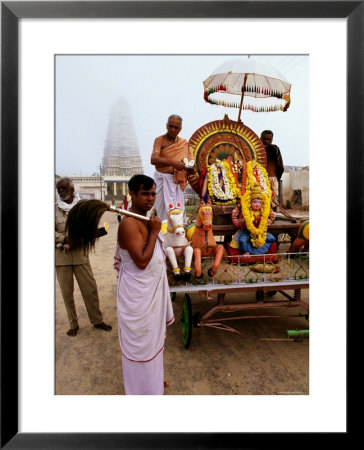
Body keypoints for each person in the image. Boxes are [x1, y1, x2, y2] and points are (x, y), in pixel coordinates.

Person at [113, 174, 174, 395]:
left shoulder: (147, 219)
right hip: (137, 299)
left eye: (152, 193)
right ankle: (140, 392)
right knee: (140, 348)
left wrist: (153, 227)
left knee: (152, 345)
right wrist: (156, 231)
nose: (150, 198)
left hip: (152, 296)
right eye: (145, 193)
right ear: (132, 194)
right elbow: (140, 261)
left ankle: (153, 382)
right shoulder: (129, 224)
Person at [55, 178, 112, 337]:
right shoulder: (53, 210)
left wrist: (92, 234)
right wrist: (64, 239)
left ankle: (97, 320)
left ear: (72, 190)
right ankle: (73, 324)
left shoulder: (82, 208)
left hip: (81, 256)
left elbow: (90, 229)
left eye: (64, 188)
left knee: (90, 289)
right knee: (67, 293)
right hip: (61, 258)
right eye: (59, 188)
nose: (61, 191)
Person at [151, 114, 194, 222]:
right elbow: (153, 159)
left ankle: (177, 237)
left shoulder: (184, 144)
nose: (173, 129)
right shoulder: (159, 140)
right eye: (170, 126)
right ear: (166, 125)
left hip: (177, 182)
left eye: (176, 127)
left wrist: (190, 168)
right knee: (160, 212)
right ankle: (159, 236)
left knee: (178, 213)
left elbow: (191, 166)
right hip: (162, 181)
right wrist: (173, 163)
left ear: (180, 129)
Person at [260, 130, 284, 207]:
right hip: (259, 180)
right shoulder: (256, 149)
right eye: (264, 139)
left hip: (273, 179)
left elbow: (280, 165)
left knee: (273, 202)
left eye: (268, 139)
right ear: (260, 138)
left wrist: (277, 177)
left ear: (272, 140)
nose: (266, 141)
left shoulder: (275, 149)